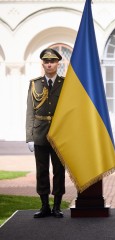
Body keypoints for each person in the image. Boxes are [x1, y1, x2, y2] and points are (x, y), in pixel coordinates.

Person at [25, 48, 66, 218]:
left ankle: (57, 206)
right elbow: (30, 111)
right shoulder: (35, 83)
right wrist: (29, 137)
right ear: (43, 63)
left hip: (60, 134)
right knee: (41, 170)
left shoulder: (66, 83)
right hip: (40, 133)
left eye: (53, 61)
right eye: (46, 61)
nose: (49, 64)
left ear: (58, 63)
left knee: (59, 170)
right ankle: (44, 206)